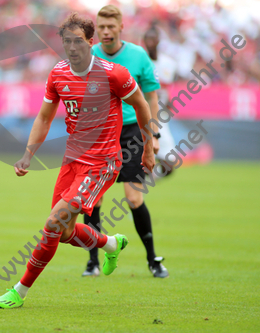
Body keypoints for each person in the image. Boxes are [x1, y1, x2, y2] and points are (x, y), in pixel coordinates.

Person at [0, 13, 155, 309]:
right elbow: (44, 116)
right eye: (67, 41)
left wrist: (148, 149)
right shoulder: (58, 74)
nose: (72, 47)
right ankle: (110, 244)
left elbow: (142, 105)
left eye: (78, 41)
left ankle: (19, 291)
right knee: (64, 233)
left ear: (90, 43)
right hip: (72, 162)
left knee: (53, 222)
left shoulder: (113, 74)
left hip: (102, 163)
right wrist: (29, 154)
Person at [82, 5, 169, 278]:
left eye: (110, 27)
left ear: (121, 28)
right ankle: (92, 262)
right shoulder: (89, 56)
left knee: (133, 198)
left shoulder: (138, 55)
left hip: (131, 132)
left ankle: (153, 260)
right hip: (101, 132)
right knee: (93, 200)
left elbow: (151, 96)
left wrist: (153, 134)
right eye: (101, 27)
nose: (105, 31)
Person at [143, 26, 177, 178]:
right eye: (147, 39)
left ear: (158, 41)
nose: (150, 42)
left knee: (169, 164)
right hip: (141, 115)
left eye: (153, 39)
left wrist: (169, 102)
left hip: (160, 116)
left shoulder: (168, 63)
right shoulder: (140, 62)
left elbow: (166, 88)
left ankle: (145, 179)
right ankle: (136, 183)